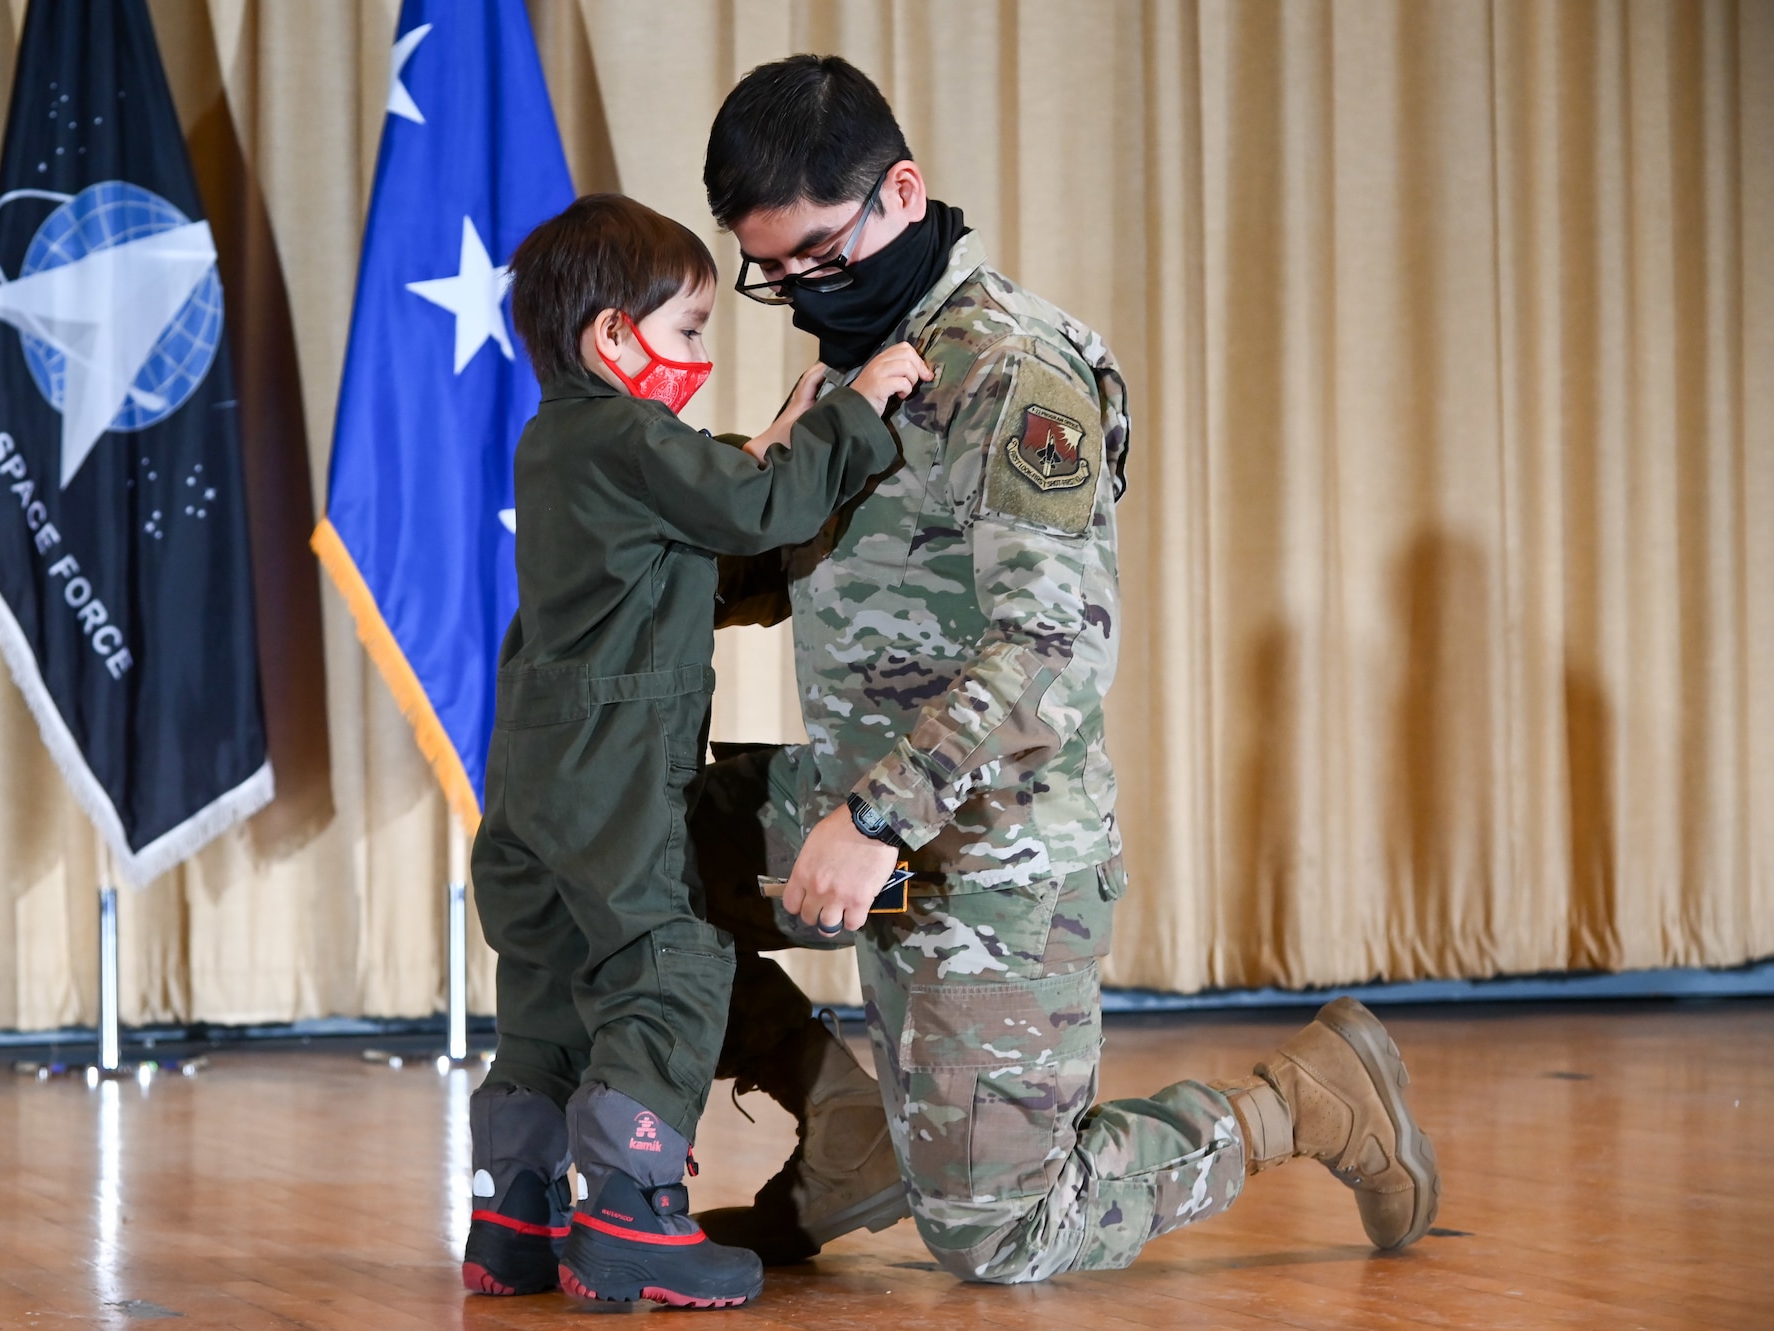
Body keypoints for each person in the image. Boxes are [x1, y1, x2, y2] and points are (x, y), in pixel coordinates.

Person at [687, 56, 1441, 1282]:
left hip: (992, 848)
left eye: (816, 259)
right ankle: (844, 1129)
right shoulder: (853, 351)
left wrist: (876, 816)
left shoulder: (1011, 370)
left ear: (900, 194)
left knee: (1000, 1234)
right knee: (587, 853)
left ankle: (1303, 1099)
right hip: (851, 798)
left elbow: (1049, 649)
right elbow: (798, 555)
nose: (796, 292)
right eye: (768, 273)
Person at [460, 192, 929, 1308]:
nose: (700, 354)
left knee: (545, 984)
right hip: (612, 759)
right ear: (611, 337)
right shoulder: (629, 434)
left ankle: (512, 1210)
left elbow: (688, 516)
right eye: (685, 330)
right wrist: (855, 411)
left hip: (529, 769)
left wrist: (769, 441)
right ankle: (630, 1209)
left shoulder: (555, 438)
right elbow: (758, 507)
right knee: (667, 962)